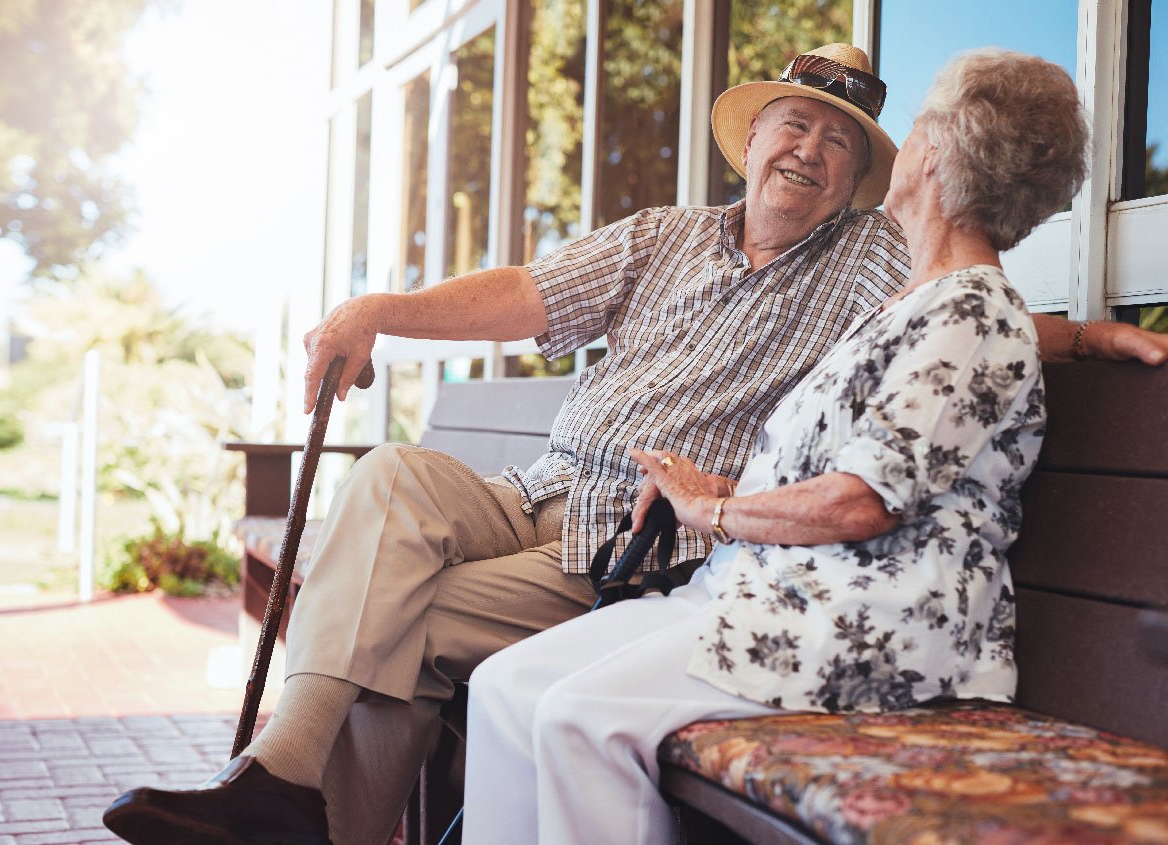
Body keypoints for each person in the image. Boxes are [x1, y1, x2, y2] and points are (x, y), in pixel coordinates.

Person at [103, 40, 1168, 845]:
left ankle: (288, 799)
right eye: (794, 126)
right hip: (528, 489)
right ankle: (284, 785)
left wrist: (1083, 332)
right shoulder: (662, 236)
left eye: (839, 142)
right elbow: (526, 295)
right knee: (389, 479)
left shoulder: (864, 265)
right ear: (751, 139)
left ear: (860, 179)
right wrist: (378, 309)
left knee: (397, 624)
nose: (809, 150)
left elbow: (958, 319)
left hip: (627, 543)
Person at [462, 47, 1091, 845]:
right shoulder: (915, 302)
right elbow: (844, 466)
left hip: (864, 619)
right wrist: (721, 486)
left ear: (935, 154)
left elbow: (862, 500)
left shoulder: (971, 311)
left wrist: (717, 508)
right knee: (505, 685)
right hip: (767, 588)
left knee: (581, 718)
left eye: (919, 126)